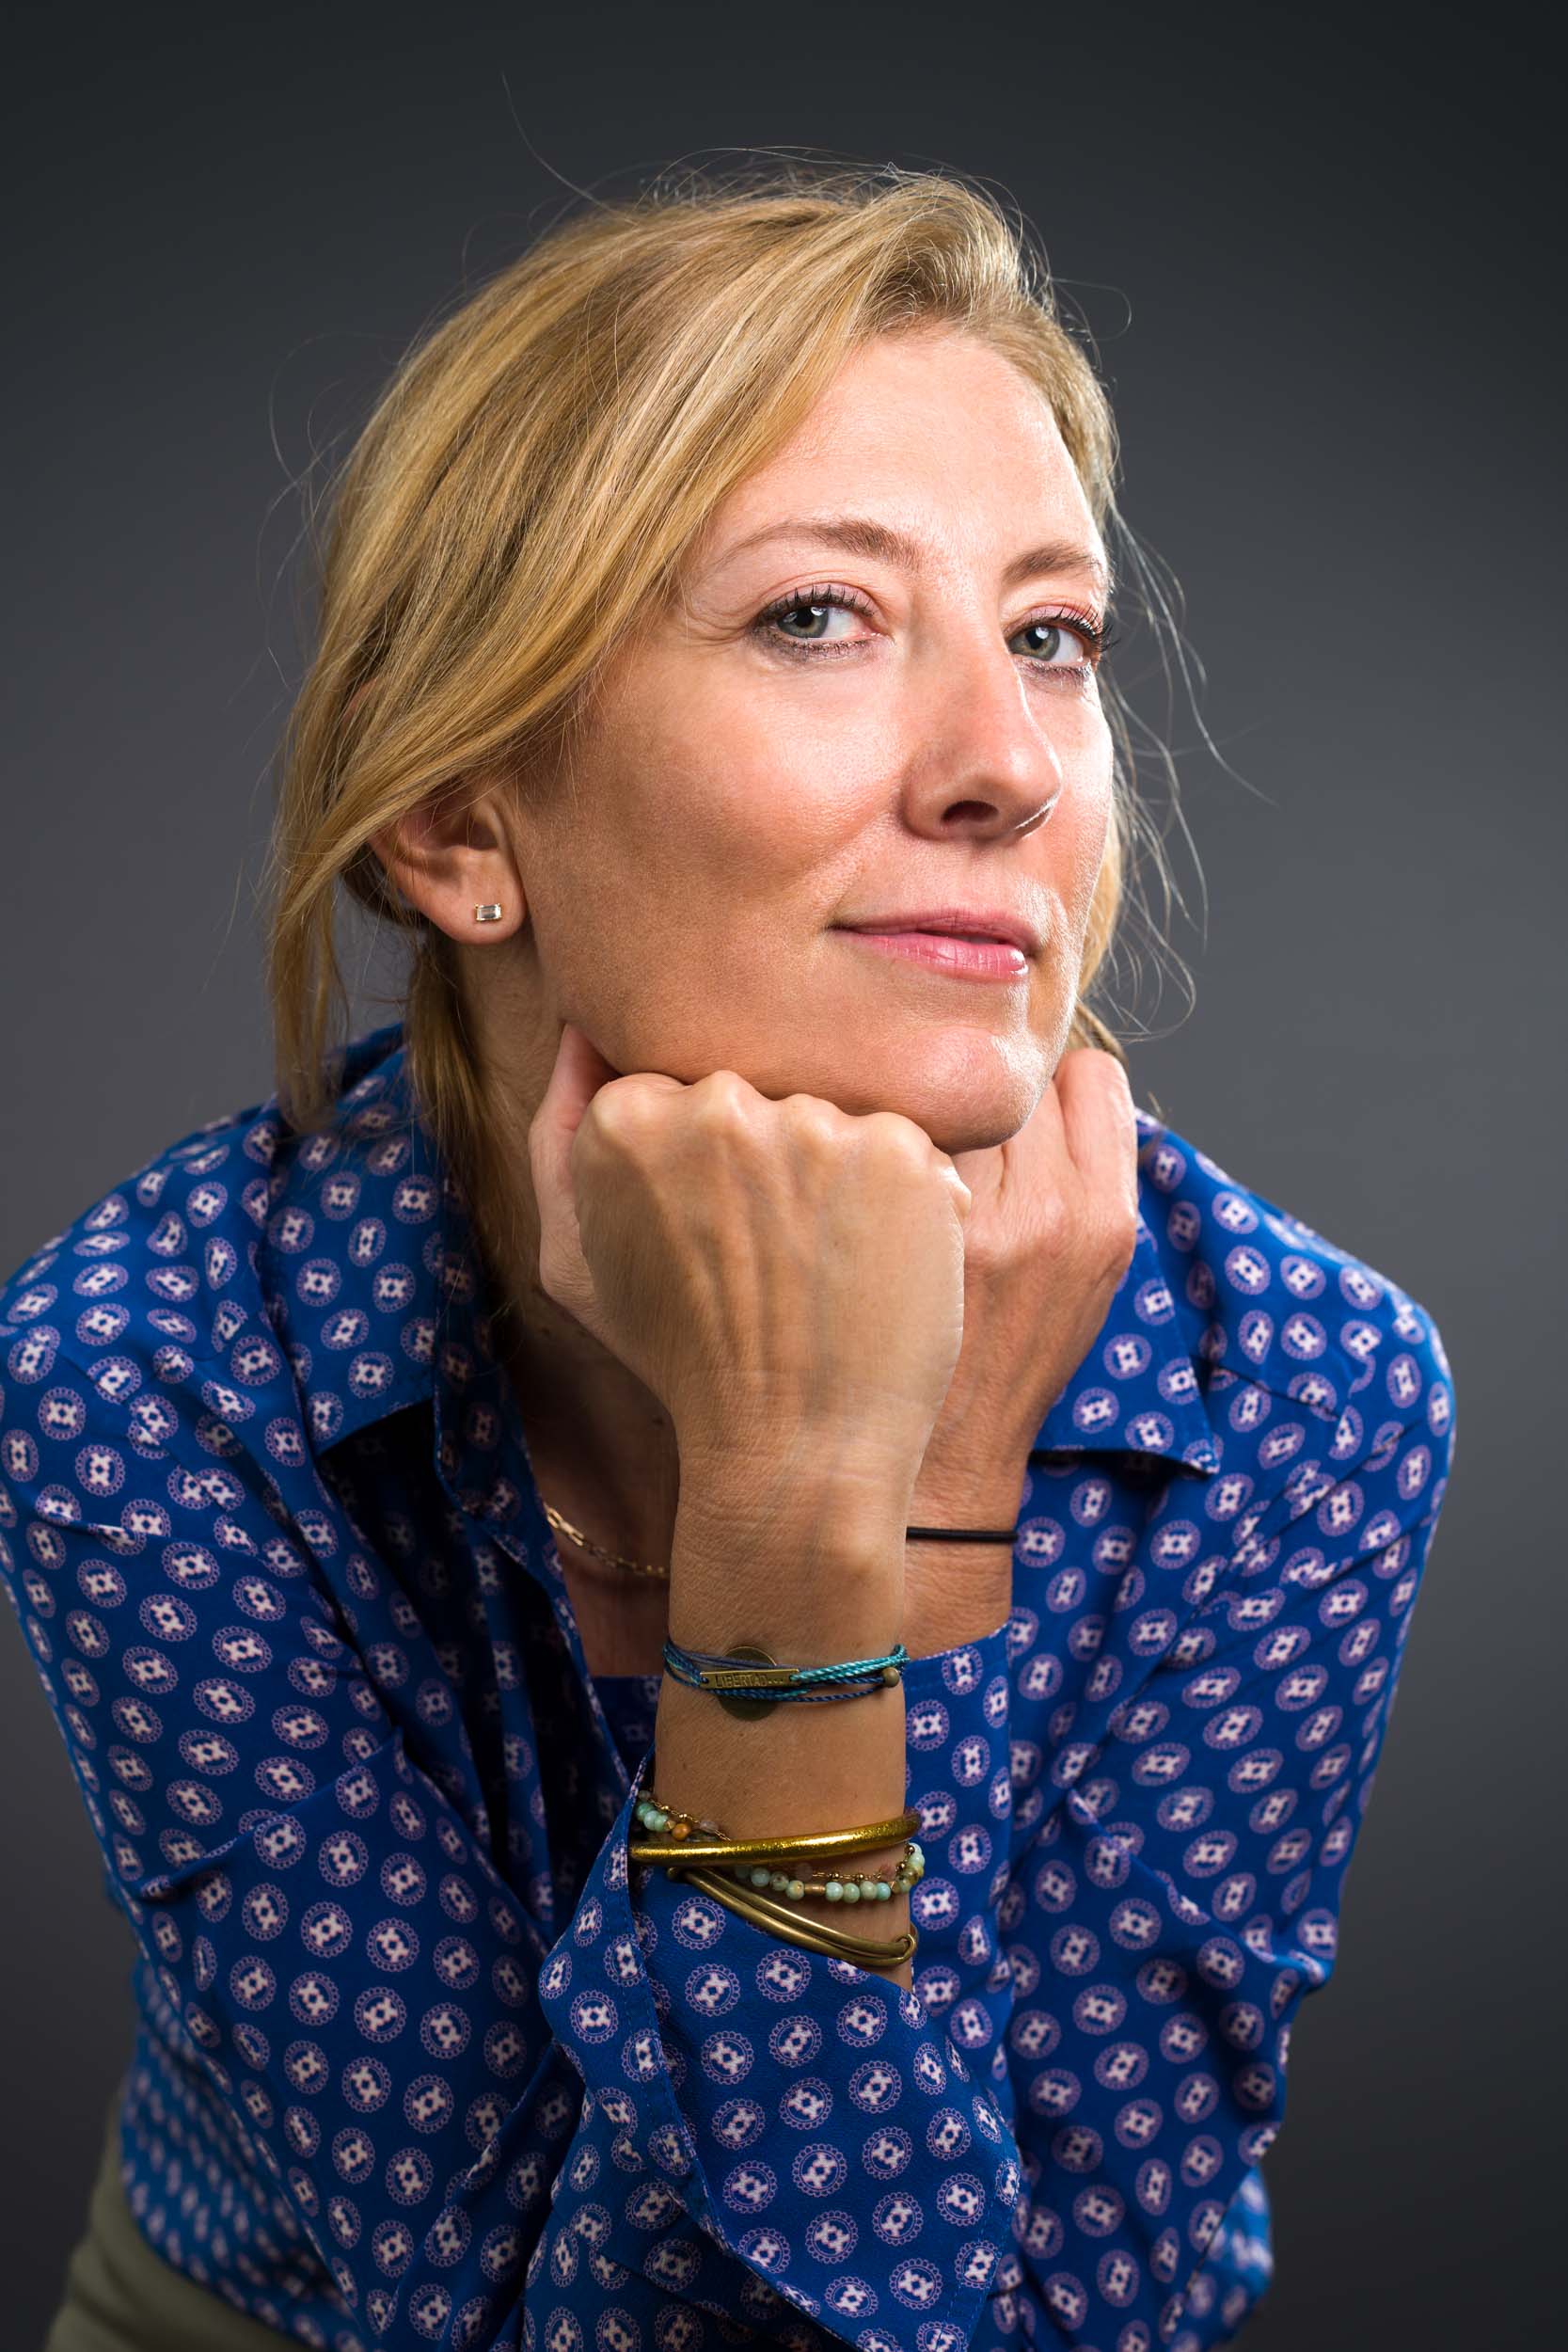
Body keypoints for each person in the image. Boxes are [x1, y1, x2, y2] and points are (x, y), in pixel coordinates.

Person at [3, 164, 1456, 2352]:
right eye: (817, 616)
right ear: (460, 820)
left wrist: (914, 1506)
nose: (1009, 769)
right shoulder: (157, 1366)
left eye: (1050, 636)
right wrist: (812, 1518)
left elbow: (1057, 2309)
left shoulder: (1307, 1391)